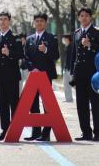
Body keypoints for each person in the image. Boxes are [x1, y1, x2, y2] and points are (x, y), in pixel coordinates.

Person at [71, 7, 99, 141]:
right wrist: (72, 72)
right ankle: (86, 132)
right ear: (79, 18)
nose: (84, 18)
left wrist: (90, 44)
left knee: (95, 104)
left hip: (93, 73)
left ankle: (98, 132)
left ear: (91, 17)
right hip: (80, 74)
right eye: (81, 16)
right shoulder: (76, 33)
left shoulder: (98, 32)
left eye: (86, 15)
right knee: (81, 105)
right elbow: (74, 55)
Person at [23, 12, 59, 142]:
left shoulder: (51, 38)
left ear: (46, 23)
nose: (39, 23)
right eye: (37, 21)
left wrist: (46, 50)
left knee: (47, 104)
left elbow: (56, 56)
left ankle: (46, 133)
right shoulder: (29, 39)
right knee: (33, 104)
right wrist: (33, 68)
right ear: (33, 23)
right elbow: (26, 57)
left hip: (46, 75)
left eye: (41, 21)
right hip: (33, 75)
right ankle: (35, 132)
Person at [0, 10, 23, 141]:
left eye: (5, 19)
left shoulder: (15, 37)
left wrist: (9, 53)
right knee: (2, 104)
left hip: (12, 76)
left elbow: (21, 54)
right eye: (1, 19)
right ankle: (4, 130)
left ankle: (14, 130)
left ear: (9, 21)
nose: (3, 21)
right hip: (0, 76)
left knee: (13, 103)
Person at [62, 34, 74, 103]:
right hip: (66, 68)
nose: (63, 40)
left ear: (67, 39)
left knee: (73, 84)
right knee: (66, 84)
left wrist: (70, 68)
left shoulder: (71, 47)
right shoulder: (66, 47)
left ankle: (84, 98)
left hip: (70, 69)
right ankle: (68, 99)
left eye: (64, 39)